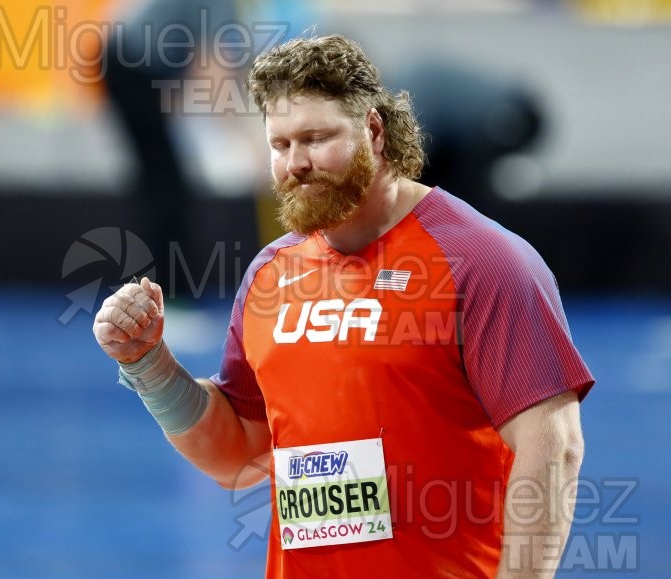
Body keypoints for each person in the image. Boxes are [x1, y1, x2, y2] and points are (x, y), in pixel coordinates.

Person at [93, 34, 594, 578]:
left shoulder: (482, 261)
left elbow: (553, 450)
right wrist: (149, 365)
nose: (296, 163)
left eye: (315, 138)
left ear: (374, 131)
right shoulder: (271, 274)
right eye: (280, 145)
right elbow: (238, 453)